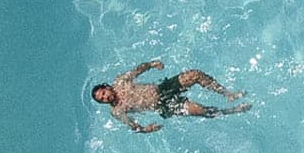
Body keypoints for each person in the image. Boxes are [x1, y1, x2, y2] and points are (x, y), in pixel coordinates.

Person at [91, 60, 247, 134]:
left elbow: (138, 70)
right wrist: (146, 129)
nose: (105, 98)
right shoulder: (117, 111)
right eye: (102, 100)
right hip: (164, 106)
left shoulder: (121, 81)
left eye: (103, 94)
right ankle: (232, 111)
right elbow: (133, 126)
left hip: (162, 88)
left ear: (106, 87)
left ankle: (228, 94)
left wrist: (151, 64)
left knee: (195, 74)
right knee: (199, 110)